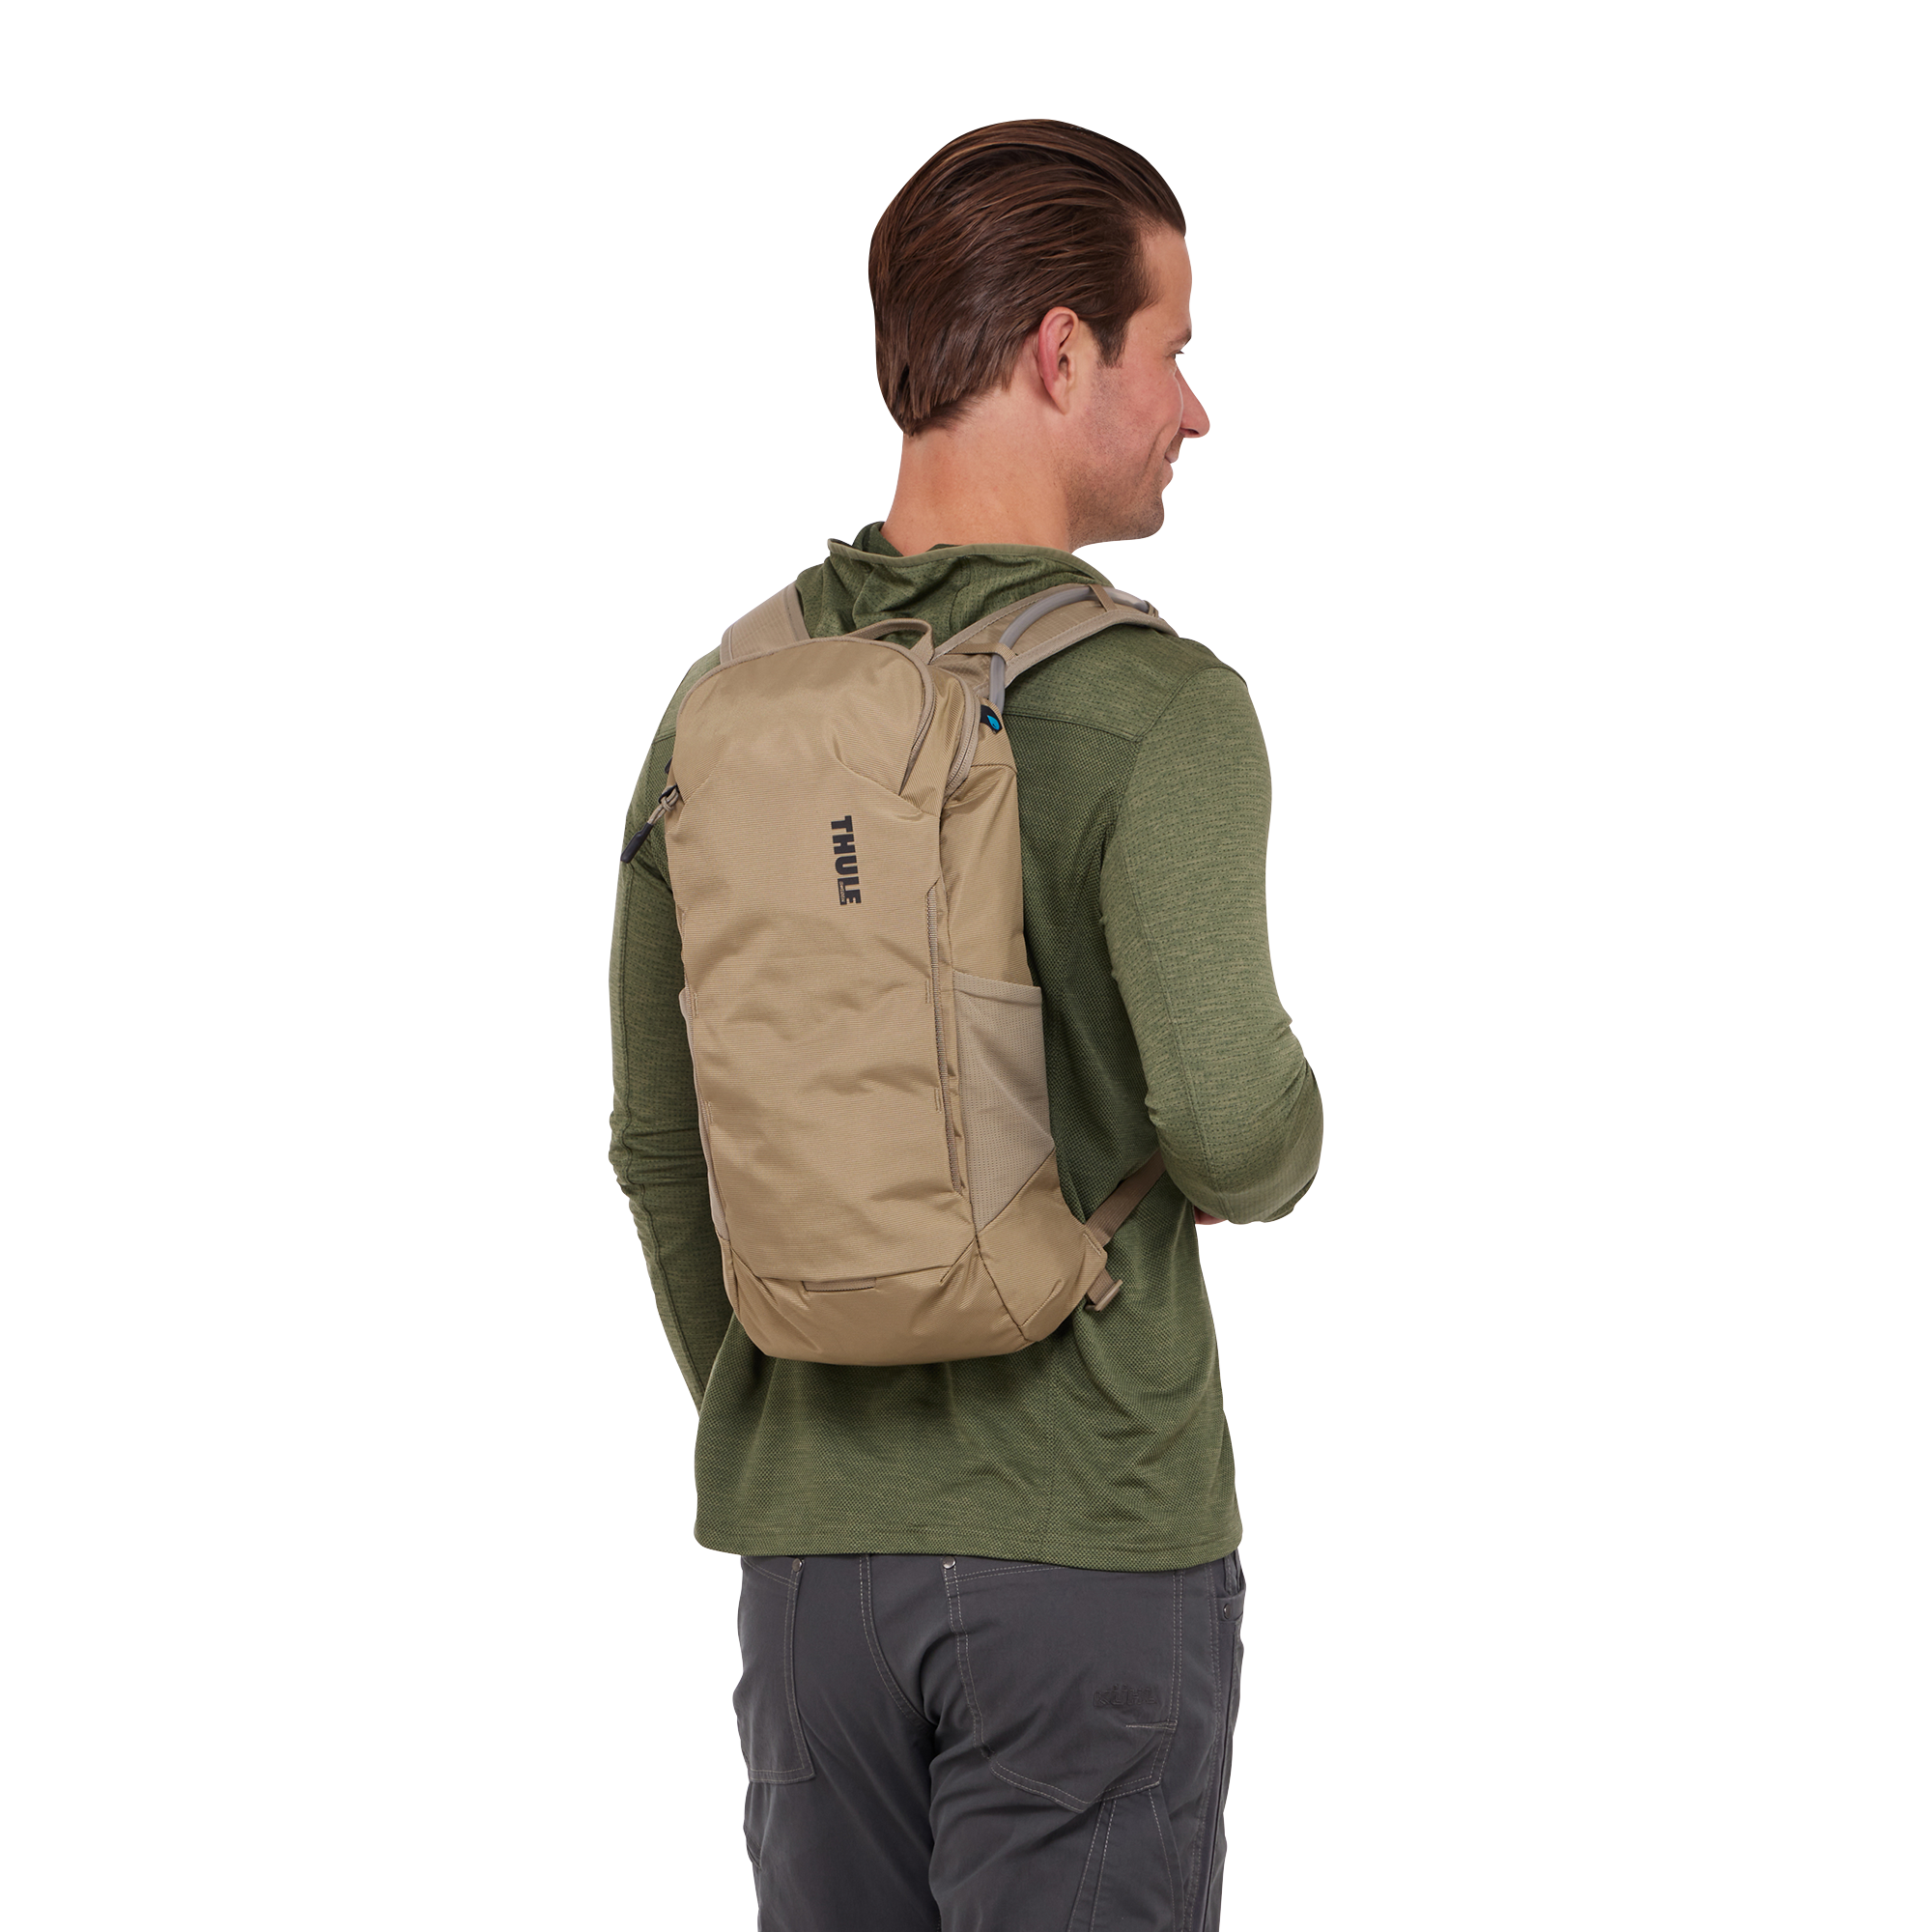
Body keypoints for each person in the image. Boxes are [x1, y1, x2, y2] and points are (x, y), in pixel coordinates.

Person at [609, 120, 1322, 1932]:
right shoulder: (1158, 710)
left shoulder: (725, 706)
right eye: (1173, 352)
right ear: (1061, 352)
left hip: (812, 1567)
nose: (1195, 412)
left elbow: (662, 1144)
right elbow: (1236, 1132)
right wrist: (1282, 1133)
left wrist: (786, 1393)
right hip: (1087, 1545)